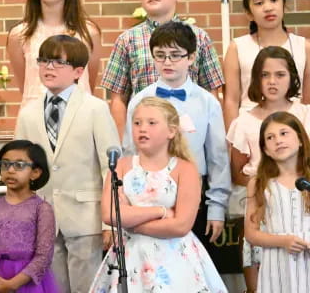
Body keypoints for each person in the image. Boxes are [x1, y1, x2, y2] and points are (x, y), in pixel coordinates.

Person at [15, 35, 120, 293]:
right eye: (44, 61)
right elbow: (20, 168)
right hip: (44, 218)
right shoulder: (28, 112)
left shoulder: (95, 108)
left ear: (78, 71)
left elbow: (111, 168)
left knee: (89, 288)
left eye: (58, 63)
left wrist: (110, 222)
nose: (49, 68)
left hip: (87, 217)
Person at [91, 97, 228, 292]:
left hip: (174, 258)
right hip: (131, 257)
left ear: (171, 131)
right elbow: (111, 215)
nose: (142, 128)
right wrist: (161, 211)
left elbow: (181, 225)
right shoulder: (121, 166)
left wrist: (133, 223)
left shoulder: (185, 169)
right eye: (137, 123)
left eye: (151, 123)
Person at [123, 22, 231, 267]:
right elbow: (130, 153)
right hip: (147, 199)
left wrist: (216, 208)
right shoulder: (139, 101)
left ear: (191, 57)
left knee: (192, 268)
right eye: (160, 56)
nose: (167, 62)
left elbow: (218, 159)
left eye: (175, 55)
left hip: (194, 197)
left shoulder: (207, 102)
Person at [101, 0, 224, 138]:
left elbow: (211, 91)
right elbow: (118, 99)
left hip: (191, 133)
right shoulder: (127, 40)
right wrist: (124, 144)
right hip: (143, 134)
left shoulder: (199, 38)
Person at [227, 46, 310, 292]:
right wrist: (266, 181)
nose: (272, 81)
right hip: (268, 210)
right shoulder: (244, 121)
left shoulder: (305, 113)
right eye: (265, 75)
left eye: (280, 74)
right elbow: (237, 169)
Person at [7, 0, 103, 108]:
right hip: (35, 117)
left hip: (79, 114)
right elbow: (24, 83)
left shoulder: (88, 32)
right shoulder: (20, 34)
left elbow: (89, 80)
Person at [0, 140, 58, 293]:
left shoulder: (42, 209)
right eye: (5, 164)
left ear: (35, 173)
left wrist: (12, 285)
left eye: (19, 165)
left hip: (27, 282)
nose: (10, 170)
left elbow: (44, 256)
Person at [224, 0, 310, 129]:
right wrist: (233, 142)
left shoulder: (304, 47)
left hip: (293, 129)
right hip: (250, 129)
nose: (268, 7)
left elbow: (307, 101)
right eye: (259, 3)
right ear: (249, 13)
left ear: (284, 5)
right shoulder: (237, 47)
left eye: (274, 0)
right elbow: (231, 100)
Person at [245, 111, 310, 293]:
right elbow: (251, 233)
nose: (278, 140)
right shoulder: (259, 184)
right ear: (265, 149)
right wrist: (284, 241)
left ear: (300, 139)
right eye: (270, 137)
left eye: (284, 133)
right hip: (277, 266)